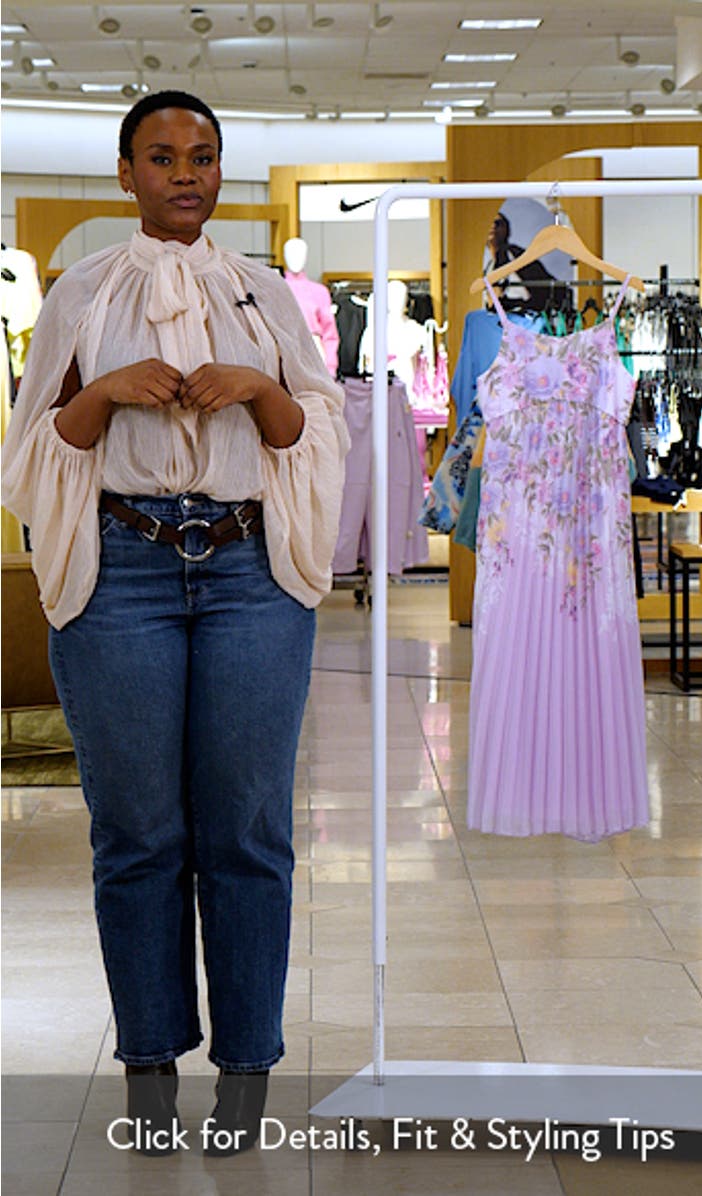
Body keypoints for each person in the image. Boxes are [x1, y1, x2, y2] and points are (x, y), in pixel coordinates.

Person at [2, 91, 349, 1157]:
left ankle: (246, 1070)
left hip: (247, 571)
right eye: (161, 156)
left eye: (201, 156)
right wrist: (103, 392)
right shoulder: (82, 291)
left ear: (218, 170)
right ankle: (148, 1072)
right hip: (124, 574)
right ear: (126, 174)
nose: (184, 173)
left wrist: (257, 388)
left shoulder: (263, 294)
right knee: (137, 833)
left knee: (248, 830)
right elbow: (36, 442)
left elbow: (312, 426)